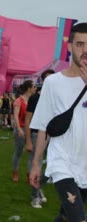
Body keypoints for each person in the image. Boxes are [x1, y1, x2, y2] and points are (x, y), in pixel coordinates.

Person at [30, 23, 87, 221]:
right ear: (69, 47)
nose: (85, 50)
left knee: (65, 217)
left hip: (85, 165)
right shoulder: (53, 83)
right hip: (62, 163)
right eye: (80, 44)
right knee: (78, 218)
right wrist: (36, 163)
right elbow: (45, 125)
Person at [23, 69, 54, 208]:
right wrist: (28, 140)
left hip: (54, 137)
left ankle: (38, 188)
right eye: (47, 79)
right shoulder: (36, 98)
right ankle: (35, 196)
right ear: (42, 81)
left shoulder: (56, 97)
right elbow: (28, 118)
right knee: (36, 164)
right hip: (37, 135)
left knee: (51, 166)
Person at [11, 80, 36, 183]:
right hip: (20, 129)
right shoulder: (19, 100)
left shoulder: (34, 100)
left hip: (31, 130)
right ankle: (15, 172)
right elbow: (16, 116)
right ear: (29, 88)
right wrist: (18, 129)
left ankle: (29, 175)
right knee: (18, 152)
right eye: (34, 86)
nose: (35, 88)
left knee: (32, 154)